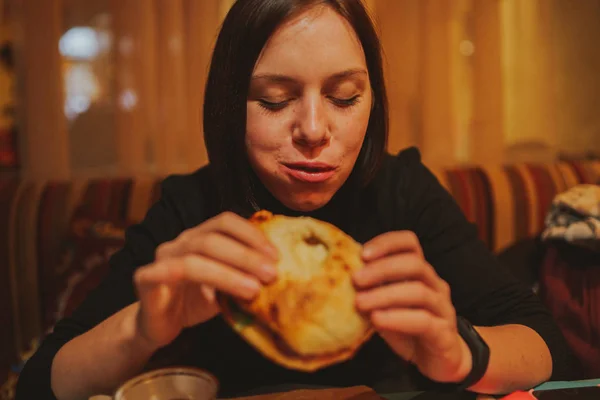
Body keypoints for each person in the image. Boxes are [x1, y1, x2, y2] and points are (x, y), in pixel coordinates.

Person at [16, 0, 578, 399]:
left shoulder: (400, 190)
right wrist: (144, 328)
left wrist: (459, 353)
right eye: (275, 99)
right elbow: (41, 381)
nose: (313, 129)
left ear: (372, 101)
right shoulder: (194, 211)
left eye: (344, 96)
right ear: (230, 106)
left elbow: (542, 340)